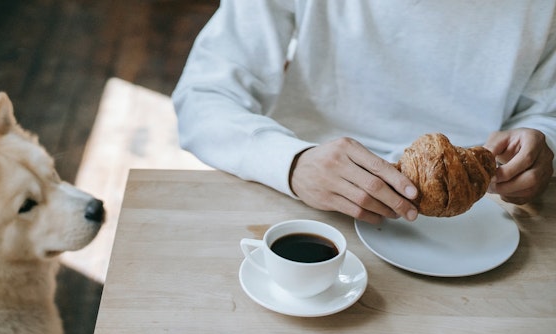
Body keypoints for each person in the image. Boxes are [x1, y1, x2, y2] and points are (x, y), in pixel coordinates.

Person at [173, 1, 555, 224]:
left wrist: (541, 144)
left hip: (481, 221)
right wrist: (292, 163)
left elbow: (546, 112)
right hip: (303, 200)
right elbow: (203, 94)